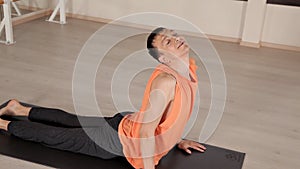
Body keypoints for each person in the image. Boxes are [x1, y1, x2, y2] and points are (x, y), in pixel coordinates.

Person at [0, 27, 206, 169]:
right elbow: (145, 131)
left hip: (127, 122)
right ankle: (2, 123)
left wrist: (177, 139)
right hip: (119, 140)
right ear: (163, 58)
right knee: (56, 137)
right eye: (169, 41)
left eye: (175, 35)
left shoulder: (188, 69)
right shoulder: (167, 81)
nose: (177, 39)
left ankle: (18, 109)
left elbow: (171, 115)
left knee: (72, 121)